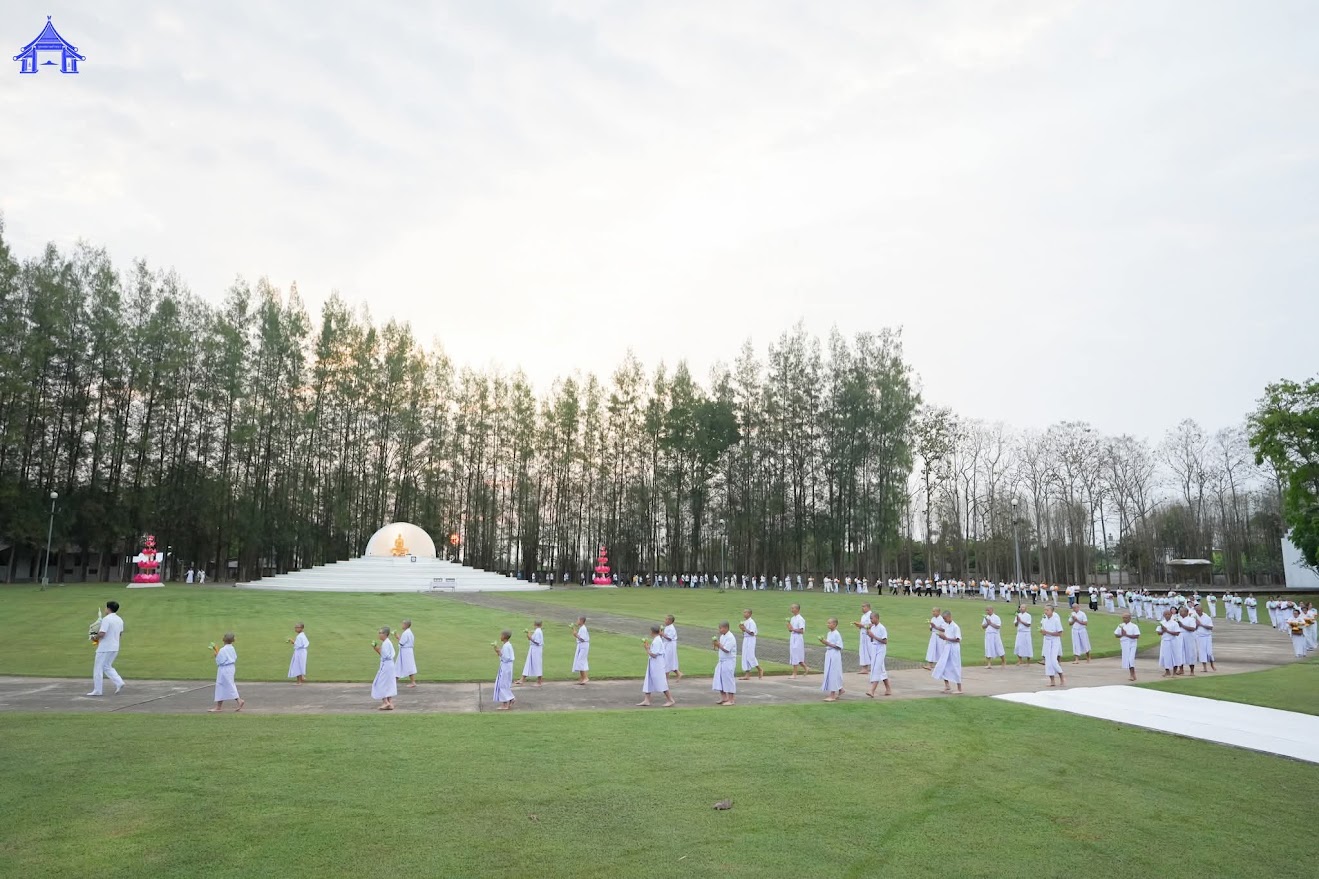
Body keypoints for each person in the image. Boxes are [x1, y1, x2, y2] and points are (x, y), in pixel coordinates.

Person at [87, 600, 125, 697]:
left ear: (108, 609)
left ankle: (97, 690)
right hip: (115, 647)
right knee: (107, 666)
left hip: (105, 648)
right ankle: (119, 682)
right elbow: (120, 634)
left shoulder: (106, 619)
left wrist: (94, 637)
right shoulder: (120, 619)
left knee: (98, 668)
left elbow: (102, 633)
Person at [638, 625, 675, 707]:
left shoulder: (657, 641)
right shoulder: (657, 640)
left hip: (657, 664)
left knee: (661, 681)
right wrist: (649, 648)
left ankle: (670, 700)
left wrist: (647, 649)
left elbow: (654, 655)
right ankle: (647, 700)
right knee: (649, 680)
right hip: (654, 663)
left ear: (652, 632)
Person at [209, 632, 244, 713]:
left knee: (225, 685)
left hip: (224, 669)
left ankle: (239, 700)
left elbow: (220, 661)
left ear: (223, 639)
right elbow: (234, 657)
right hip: (231, 668)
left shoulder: (223, 650)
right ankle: (219, 706)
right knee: (223, 685)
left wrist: (216, 655)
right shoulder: (232, 648)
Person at [931, 610, 962, 694]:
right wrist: (942, 636)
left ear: (949, 617)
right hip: (947, 647)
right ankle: (947, 685)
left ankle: (959, 689)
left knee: (955, 666)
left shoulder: (955, 627)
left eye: (945, 618)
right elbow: (945, 634)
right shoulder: (947, 625)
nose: (944, 620)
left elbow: (958, 639)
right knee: (942, 665)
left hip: (954, 648)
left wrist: (946, 638)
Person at [865, 612, 892, 697]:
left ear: (877, 618)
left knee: (876, 668)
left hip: (880, 650)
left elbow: (885, 641)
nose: (871, 620)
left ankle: (872, 690)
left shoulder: (882, 628)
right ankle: (888, 689)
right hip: (874, 649)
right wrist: (869, 634)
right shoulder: (873, 627)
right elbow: (872, 640)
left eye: (872, 618)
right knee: (881, 669)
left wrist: (873, 636)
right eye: (870, 618)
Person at [819, 618, 845, 701]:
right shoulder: (829, 633)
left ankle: (832, 695)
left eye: (829, 623)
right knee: (829, 672)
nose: (828, 624)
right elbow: (829, 644)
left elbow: (839, 646)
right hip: (829, 654)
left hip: (834, 655)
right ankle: (840, 689)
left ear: (834, 624)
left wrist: (827, 643)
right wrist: (824, 642)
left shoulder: (837, 634)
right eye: (827, 623)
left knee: (833, 673)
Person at [371, 626, 397, 711]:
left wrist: (376, 648)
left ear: (385, 634)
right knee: (389, 683)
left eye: (380, 633)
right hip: (391, 665)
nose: (379, 634)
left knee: (380, 682)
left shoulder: (385, 643)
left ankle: (386, 702)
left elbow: (384, 655)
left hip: (385, 665)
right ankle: (390, 703)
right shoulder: (388, 642)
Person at [712, 621, 737, 705]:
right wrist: (715, 645)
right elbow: (720, 648)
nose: (719, 630)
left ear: (726, 628)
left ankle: (731, 700)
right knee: (719, 678)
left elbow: (726, 649)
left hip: (729, 661)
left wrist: (718, 644)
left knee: (728, 679)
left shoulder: (730, 637)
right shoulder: (722, 636)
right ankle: (724, 698)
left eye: (721, 628)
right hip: (721, 660)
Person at [1040, 605, 1065, 687]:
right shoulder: (1044, 620)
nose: (1046, 612)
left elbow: (1060, 633)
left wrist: (1048, 632)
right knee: (1048, 661)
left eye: (1047, 610)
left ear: (1052, 611)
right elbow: (1043, 631)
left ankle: (1061, 677)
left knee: (1053, 660)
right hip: (1047, 641)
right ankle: (1052, 680)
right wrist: (1043, 632)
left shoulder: (1056, 620)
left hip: (1055, 641)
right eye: (1045, 610)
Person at [492, 630, 516, 710]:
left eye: (501, 635)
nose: (500, 636)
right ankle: (510, 699)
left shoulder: (506, 646)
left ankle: (505, 704)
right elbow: (502, 656)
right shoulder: (507, 645)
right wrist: (497, 651)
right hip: (506, 666)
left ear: (504, 637)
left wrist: (499, 652)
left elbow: (506, 658)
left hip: (505, 667)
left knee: (502, 684)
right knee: (504, 684)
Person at [516, 620, 544, 687]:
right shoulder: (537, 631)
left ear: (534, 624)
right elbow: (532, 639)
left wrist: (529, 636)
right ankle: (522, 679)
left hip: (536, 650)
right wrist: (529, 635)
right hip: (533, 649)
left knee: (537, 664)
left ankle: (539, 682)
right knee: (528, 663)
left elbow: (537, 642)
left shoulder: (538, 632)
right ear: (541, 625)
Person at [1114, 613, 1141, 681]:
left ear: (1129, 618)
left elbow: (1137, 636)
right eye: (1123, 618)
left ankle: (1132, 674)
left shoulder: (1134, 626)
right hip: (1124, 644)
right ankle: (1132, 675)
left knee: (1131, 659)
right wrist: (1122, 635)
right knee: (1127, 659)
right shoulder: (1120, 625)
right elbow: (1116, 635)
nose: (1124, 619)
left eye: (1126, 617)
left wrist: (1127, 635)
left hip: (1132, 644)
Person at [738, 609, 762, 680]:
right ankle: (747, 674)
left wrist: (744, 629)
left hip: (751, 639)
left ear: (750, 614)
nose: (744, 613)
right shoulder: (745, 622)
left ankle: (759, 669)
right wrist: (742, 629)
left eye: (746, 612)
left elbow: (752, 633)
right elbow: (744, 633)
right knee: (745, 656)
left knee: (750, 655)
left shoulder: (752, 622)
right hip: (745, 639)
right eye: (744, 612)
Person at [1156, 609, 1180, 677]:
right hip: (1165, 641)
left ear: (1171, 615)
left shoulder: (1174, 623)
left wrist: (1167, 631)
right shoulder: (1162, 623)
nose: (1167, 616)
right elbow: (1159, 633)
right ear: (1163, 615)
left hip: (1173, 641)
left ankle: (1174, 672)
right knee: (1165, 656)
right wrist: (1163, 631)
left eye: (1168, 614)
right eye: (1166, 614)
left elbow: (1177, 633)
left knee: (1174, 656)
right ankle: (1167, 671)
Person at [787, 605, 808, 678]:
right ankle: (806, 668)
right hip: (793, 637)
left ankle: (794, 674)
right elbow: (791, 630)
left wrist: (793, 629)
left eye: (793, 608)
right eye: (791, 608)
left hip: (798, 638)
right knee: (794, 654)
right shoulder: (792, 618)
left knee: (796, 654)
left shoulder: (800, 619)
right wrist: (789, 627)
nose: (791, 609)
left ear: (797, 609)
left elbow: (802, 631)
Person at [396, 619, 418, 688]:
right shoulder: (409, 632)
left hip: (405, 652)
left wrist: (398, 637)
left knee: (406, 665)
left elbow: (401, 643)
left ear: (406, 625)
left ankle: (413, 682)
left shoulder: (405, 633)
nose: (402, 625)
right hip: (408, 651)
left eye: (403, 624)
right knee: (401, 665)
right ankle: (394, 681)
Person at [852, 603, 873, 675]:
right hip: (863, 635)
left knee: (870, 651)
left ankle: (875, 667)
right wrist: (858, 625)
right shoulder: (863, 616)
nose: (862, 608)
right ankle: (864, 668)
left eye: (864, 606)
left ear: (868, 607)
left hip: (868, 636)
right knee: (863, 651)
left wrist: (861, 625)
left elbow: (872, 625)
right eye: (862, 606)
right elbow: (862, 626)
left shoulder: (871, 615)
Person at [661, 615, 683, 684]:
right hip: (667, 645)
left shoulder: (671, 628)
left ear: (670, 621)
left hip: (670, 646)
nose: (665, 621)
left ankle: (665, 680)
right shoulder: (667, 627)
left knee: (667, 661)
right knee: (668, 661)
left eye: (666, 619)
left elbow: (669, 638)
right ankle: (678, 673)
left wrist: (662, 634)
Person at [1195, 604, 1216, 672]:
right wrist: (1197, 625)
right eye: (1196, 610)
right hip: (1199, 636)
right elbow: (1194, 628)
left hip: (1207, 636)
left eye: (1199, 610)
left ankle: (1212, 664)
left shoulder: (1207, 617)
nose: (1198, 612)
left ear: (1202, 610)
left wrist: (1201, 624)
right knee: (1202, 652)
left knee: (1209, 652)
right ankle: (1204, 667)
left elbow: (1211, 627)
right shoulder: (1194, 617)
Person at [571, 616, 590, 685]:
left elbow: (582, 639)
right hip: (581, 645)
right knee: (580, 661)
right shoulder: (581, 628)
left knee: (580, 661)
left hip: (583, 646)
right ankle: (582, 678)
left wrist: (576, 635)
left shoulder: (583, 629)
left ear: (581, 621)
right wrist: (574, 630)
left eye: (578, 620)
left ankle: (585, 677)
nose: (577, 621)